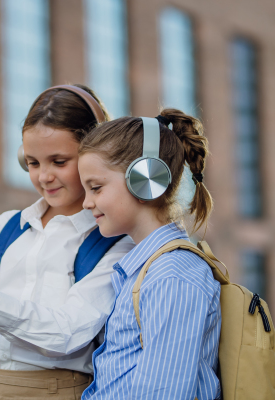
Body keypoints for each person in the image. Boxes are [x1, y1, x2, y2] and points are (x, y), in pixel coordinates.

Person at [0, 84, 135, 399]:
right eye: (33, 163)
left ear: (94, 156)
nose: (43, 176)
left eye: (58, 162)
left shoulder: (114, 241)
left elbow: (66, 334)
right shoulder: (8, 226)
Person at [77, 110, 221, 399]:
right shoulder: (148, 269)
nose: (85, 202)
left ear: (145, 179)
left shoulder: (172, 276)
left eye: (95, 188)